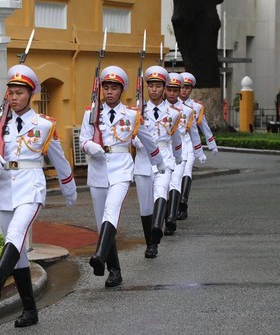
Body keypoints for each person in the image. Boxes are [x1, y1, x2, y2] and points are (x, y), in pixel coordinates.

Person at [0, 64, 77, 328]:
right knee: (19, 252)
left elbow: (59, 159)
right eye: (10, 92)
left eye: (20, 92)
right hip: (5, 190)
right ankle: (30, 310)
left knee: (16, 234)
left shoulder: (44, 125)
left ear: (31, 94)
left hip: (31, 188)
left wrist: (69, 188)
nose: (14, 97)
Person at [79, 65, 165, 287]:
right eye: (106, 87)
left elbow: (148, 140)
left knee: (112, 210)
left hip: (121, 169)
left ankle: (99, 256)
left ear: (121, 90)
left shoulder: (132, 115)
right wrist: (90, 147)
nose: (109, 92)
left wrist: (159, 163)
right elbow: (83, 140)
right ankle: (114, 271)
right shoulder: (91, 113)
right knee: (101, 222)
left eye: (114, 88)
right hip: (98, 170)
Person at [134, 65, 182, 259]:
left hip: (164, 157)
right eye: (151, 85)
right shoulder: (137, 112)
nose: (154, 89)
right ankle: (150, 243)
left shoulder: (173, 113)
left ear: (164, 87)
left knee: (161, 190)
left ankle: (156, 230)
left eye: (158, 86)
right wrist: (136, 140)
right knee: (145, 207)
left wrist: (178, 158)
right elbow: (129, 136)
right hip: (143, 159)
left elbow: (176, 137)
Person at [163, 72, 206, 236]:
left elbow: (194, 133)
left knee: (175, 182)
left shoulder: (188, 111)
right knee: (164, 186)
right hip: (164, 151)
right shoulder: (159, 108)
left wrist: (199, 151)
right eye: (170, 89)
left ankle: (171, 219)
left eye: (176, 89)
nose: (173, 93)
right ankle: (166, 214)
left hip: (181, 150)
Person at [177, 72, 218, 220]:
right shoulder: (168, 105)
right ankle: (172, 205)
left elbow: (203, 127)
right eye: (181, 87)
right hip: (173, 143)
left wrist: (211, 144)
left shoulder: (196, 107)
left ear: (191, 89)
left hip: (188, 142)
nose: (183, 90)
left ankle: (183, 204)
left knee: (187, 171)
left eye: (187, 87)